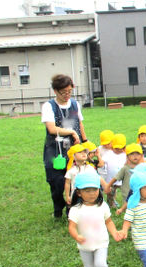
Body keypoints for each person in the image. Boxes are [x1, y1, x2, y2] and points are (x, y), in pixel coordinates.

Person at [67, 172, 122, 267]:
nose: (92, 193)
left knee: (100, 263)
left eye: (94, 190)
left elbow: (109, 221)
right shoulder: (76, 209)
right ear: (79, 192)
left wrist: (114, 233)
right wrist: (76, 236)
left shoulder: (102, 206)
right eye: (87, 190)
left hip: (101, 242)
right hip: (84, 245)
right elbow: (71, 226)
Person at [42, 74, 87, 219]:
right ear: (55, 91)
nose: (67, 95)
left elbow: (79, 123)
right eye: (63, 92)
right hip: (54, 151)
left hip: (73, 150)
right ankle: (58, 207)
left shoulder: (74, 104)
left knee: (74, 181)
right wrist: (71, 132)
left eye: (69, 91)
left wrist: (84, 141)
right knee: (57, 182)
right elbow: (51, 128)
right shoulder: (49, 106)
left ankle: (71, 209)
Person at [105, 143, 144, 215]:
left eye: (137, 154)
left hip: (140, 194)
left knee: (140, 212)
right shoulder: (125, 168)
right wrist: (108, 186)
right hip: (127, 195)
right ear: (127, 156)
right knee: (129, 213)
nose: (135, 156)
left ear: (141, 156)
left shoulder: (142, 168)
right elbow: (116, 178)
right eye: (132, 154)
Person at [102, 133, 127, 208]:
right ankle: (111, 204)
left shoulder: (126, 154)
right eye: (117, 148)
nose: (119, 150)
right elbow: (102, 162)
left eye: (121, 148)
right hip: (111, 179)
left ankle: (126, 204)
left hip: (123, 179)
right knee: (111, 192)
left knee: (126, 192)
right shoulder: (108, 154)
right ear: (112, 146)